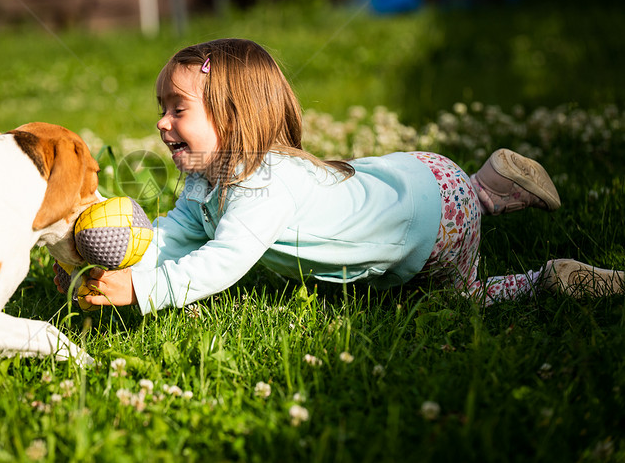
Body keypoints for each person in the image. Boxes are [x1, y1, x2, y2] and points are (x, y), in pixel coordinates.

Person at [59, 38, 624, 313]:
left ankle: (546, 276)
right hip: (418, 178)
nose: (161, 123)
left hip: (432, 228)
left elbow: (224, 260)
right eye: (162, 106)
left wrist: (144, 289)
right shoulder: (207, 178)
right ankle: (487, 184)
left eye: (177, 109)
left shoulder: (262, 186)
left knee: (462, 303)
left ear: (233, 118)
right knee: (411, 193)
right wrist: (108, 265)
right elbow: (178, 233)